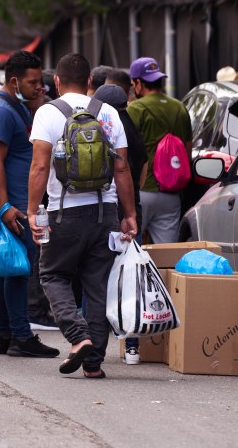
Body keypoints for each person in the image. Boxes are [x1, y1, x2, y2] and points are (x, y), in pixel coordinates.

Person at [27, 52, 138, 378]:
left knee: (53, 275)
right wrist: (128, 213)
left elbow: (40, 166)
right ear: (91, 82)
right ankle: (93, 365)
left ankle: (78, 338)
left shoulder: (48, 113)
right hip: (104, 213)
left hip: (64, 212)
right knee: (97, 285)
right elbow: (122, 168)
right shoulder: (108, 114)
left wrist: (32, 210)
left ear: (57, 81)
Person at [0, 51, 60, 359]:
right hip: (12, 204)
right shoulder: (1, 111)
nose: (38, 86)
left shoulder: (16, 107)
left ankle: (1, 335)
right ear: (14, 81)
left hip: (13, 201)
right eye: (32, 82)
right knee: (17, 270)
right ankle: (20, 336)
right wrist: (4, 207)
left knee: (5, 268)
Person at [92, 83, 147, 365]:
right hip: (131, 205)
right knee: (128, 274)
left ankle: (91, 336)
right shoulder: (133, 132)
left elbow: (118, 169)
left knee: (98, 275)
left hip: (110, 205)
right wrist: (133, 205)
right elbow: (141, 167)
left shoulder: (103, 129)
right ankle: (132, 344)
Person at [127, 56, 193, 244]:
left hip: (142, 191)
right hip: (171, 193)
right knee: (166, 255)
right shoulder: (180, 108)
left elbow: (126, 151)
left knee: (131, 248)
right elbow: (187, 151)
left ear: (138, 83)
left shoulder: (135, 109)